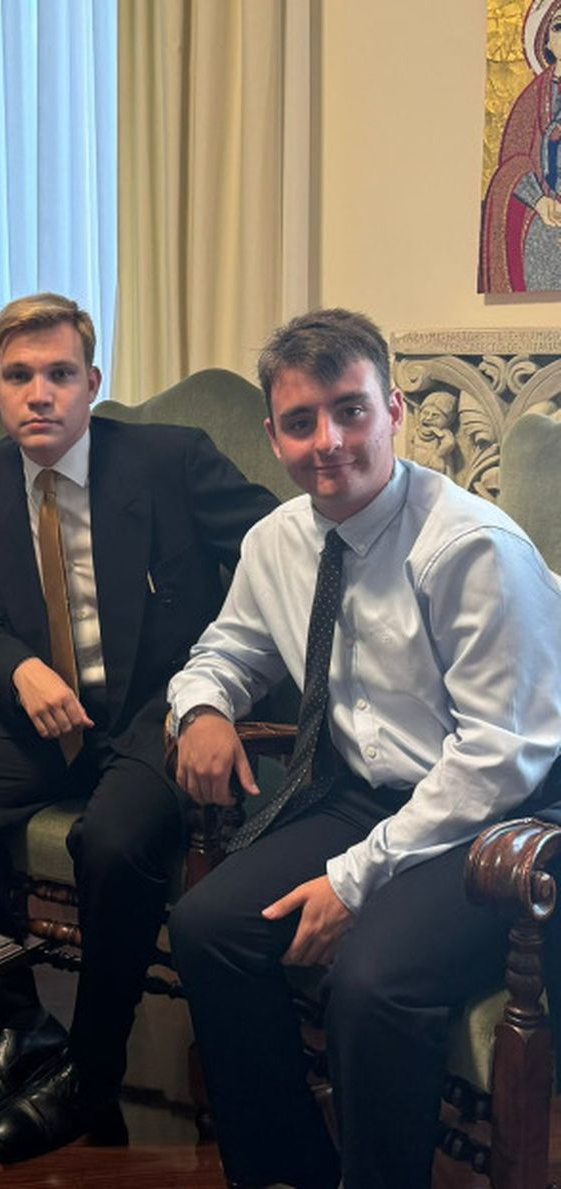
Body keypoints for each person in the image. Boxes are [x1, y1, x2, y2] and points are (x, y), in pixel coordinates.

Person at [167, 308, 561, 1189]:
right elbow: (225, 652)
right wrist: (202, 708)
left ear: (395, 410)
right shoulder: (277, 540)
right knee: (207, 926)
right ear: (273, 434)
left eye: (351, 410)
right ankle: (292, 1168)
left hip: (505, 816)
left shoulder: (470, 546)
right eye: (301, 421)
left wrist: (357, 877)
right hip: (367, 792)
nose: (329, 442)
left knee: (373, 982)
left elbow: (501, 756)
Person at [0, 293, 278, 1162]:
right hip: (43, 712)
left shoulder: (170, 459)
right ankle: (17, 1019)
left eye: (60, 374)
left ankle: (92, 1066)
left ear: (93, 381)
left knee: (109, 841)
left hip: (154, 707)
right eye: (20, 376)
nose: (40, 393)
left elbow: (278, 547)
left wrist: (227, 682)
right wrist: (17, 669)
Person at [481, 0, 561, 293]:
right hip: (547, 223)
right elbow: (513, 165)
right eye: (560, 26)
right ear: (545, 40)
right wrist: (538, 200)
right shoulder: (532, 99)